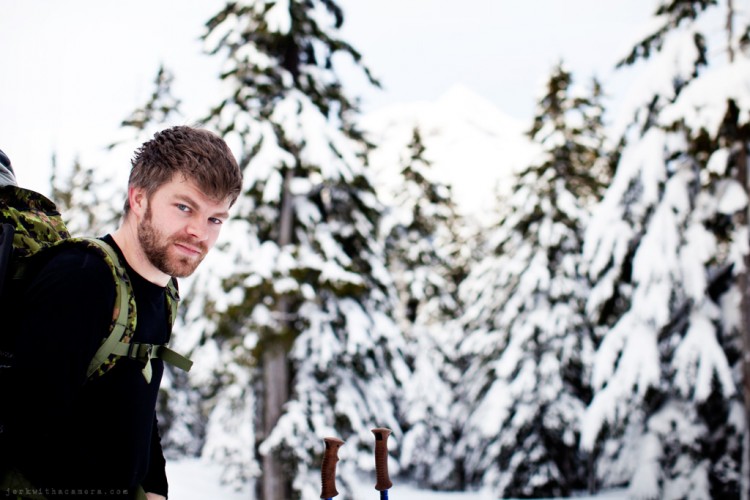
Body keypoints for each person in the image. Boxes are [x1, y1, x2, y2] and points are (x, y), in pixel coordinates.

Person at [3, 126, 243, 499]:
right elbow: (30, 435)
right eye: (184, 207)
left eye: (215, 219)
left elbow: (140, 407)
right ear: (139, 198)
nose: (200, 232)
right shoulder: (81, 279)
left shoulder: (164, 291)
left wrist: (155, 487)